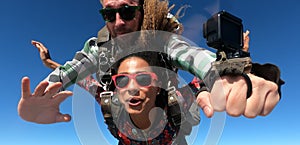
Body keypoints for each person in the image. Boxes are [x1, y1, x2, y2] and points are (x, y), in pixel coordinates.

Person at [18, 0, 283, 125]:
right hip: (125, 127)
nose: (118, 21)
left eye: (127, 11)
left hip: (167, 118)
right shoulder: (100, 50)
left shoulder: (164, 42)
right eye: (109, 14)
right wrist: (45, 84)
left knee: (180, 112)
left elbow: (194, 57)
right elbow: (75, 70)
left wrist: (232, 71)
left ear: (142, 10)